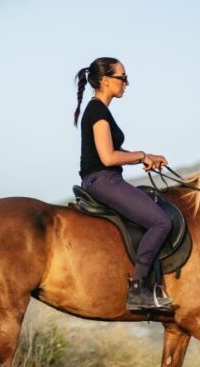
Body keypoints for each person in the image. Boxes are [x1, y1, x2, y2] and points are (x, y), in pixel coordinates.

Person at [73, 57, 173, 312]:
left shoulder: (100, 110)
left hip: (105, 178)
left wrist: (146, 156)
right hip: (103, 180)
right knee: (161, 221)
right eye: (123, 77)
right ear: (106, 81)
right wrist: (140, 155)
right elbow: (108, 157)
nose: (126, 83)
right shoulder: (97, 112)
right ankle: (138, 289)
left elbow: (112, 151)